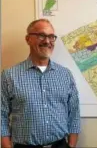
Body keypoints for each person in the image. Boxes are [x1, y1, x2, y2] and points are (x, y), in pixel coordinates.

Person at [1, 19, 81, 148]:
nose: (47, 41)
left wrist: (71, 145)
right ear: (28, 39)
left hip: (60, 145)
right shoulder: (9, 75)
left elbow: (74, 113)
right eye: (41, 35)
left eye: (51, 36)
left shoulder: (65, 74)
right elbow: (1, 115)